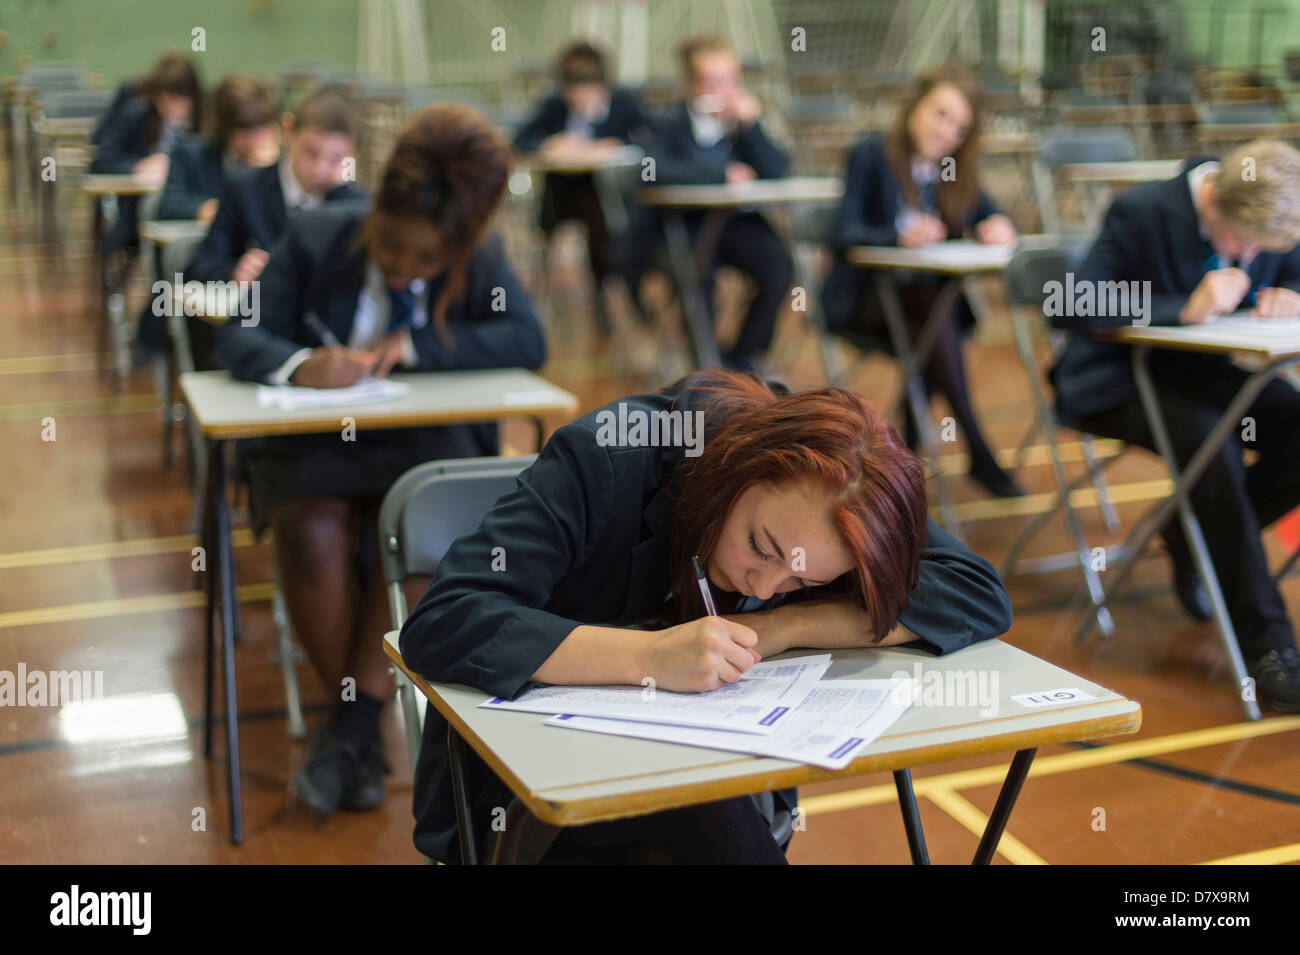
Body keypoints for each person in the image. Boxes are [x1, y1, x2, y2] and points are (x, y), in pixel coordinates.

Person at [400, 369, 1014, 864]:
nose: (764, 584)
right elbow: (445, 618)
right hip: (528, 800)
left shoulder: (850, 484)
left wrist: (784, 628)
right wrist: (647, 657)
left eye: (805, 580)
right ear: (739, 468)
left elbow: (974, 591)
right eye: (761, 546)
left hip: (728, 792)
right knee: (695, 789)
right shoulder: (612, 453)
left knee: (705, 790)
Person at [212, 104, 547, 815]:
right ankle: (357, 725)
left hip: (422, 446)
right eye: (392, 247)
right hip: (318, 443)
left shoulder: (476, 256)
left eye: (427, 260)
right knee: (310, 525)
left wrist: (421, 348)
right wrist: (303, 365)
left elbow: (528, 339)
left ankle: (348, 732)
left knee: (435, 527)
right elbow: (240, 336)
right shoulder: (314, 234)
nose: (403, 268)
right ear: (373, 214)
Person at [1048, 139, 1300, 711]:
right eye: (1243, 242)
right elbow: (1069, 301)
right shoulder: (1144, 211)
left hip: (1207, 377)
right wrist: (1179, 306)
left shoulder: (1265, 216)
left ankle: (1189, 536)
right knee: (1212, 446)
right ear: (1212, 201)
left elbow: (1293, 268)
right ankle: (1268, 642)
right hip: (1118, 382)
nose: (1252, 254)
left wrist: (1291, 294)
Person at [821, 64, 1023, 498]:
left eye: (960, 127)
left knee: (932, 322)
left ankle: (900, 456)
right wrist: (896, 236)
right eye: (940, 114)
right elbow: (842, 232)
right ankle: (977, 450)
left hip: (923, 311)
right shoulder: (872, 155)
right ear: (914, 106)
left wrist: (997, 225)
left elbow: (989, 213)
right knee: (934, 316)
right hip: (867, 301)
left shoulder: (953, 169)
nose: (947, 131)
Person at [182, 84, 364, 369]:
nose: (320, 169)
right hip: (258, 344)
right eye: (311, 153)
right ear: (288, 131)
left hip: (327, 354)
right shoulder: (243, 190)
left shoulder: (354, 206)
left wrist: (339, 195)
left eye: (337, 159)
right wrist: (235, 270)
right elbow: (199, 270)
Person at [639, 36, 793, 372]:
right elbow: (651, 170)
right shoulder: (668, 123)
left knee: (778, 266)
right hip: (684, 228)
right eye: (712, 81)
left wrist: (752, 127)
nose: (723, 90)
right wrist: (720, 173)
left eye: (730, 81)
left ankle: (743, 358)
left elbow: (778, 171)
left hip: (736, 226)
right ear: (691, 86)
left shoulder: (744, 127)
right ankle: (708, 366)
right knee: (698, 276)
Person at [513, 41, 651, 331]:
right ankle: (604, 286)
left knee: (599, 206)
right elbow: (521, 140)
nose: (580, 98)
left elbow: (650, 140)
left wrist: (613, 147)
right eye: (573, 91)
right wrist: (549, 144)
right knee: (591, 204)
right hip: (562, 196)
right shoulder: (554, 107)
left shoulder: (624, 103)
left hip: (614, 199)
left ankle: (610, 286)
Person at [91, 51, 202, 256]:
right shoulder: (135, 116)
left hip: (186, 209)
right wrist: (138, 166)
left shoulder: (207, 123)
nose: (173, 107)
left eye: (181, 99)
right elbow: (101, 160)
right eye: (166, 98)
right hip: (137, 212)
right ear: (157, 96)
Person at [156, 73, 281, 222]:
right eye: (248, 131)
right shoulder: (190, 155)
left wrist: (270, 173)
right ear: (227, 129)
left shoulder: (284, 164)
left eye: (266, 128)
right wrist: (213, 209)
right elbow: (169, 207)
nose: (259, 139)